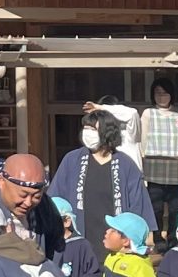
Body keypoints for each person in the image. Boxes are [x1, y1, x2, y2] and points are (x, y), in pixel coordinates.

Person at [51, 109, 156, 254]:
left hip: (115, 239)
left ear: (107, 131)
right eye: (85, 128)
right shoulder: (72, 160)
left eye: (92, 129)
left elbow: (139, 205)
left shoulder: (126, 164)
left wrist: (144, 239)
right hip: (80, 238)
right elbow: (55, 199)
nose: (87, 133)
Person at [0, 152, 66, 259]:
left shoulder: (45, 207)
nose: (28, 202)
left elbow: (57, 246)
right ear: (1, 181)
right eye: (22, 195)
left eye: (36, 196)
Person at [136, 81, 178, 234]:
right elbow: (143, 139)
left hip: (176, 169)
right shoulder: (148, 113)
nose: (161, 97)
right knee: (156, 208)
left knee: (175, 209)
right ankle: (158, 238)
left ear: (171, 95)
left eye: (165, 93)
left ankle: (173, 238)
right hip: (154, 169)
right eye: (157, 93)